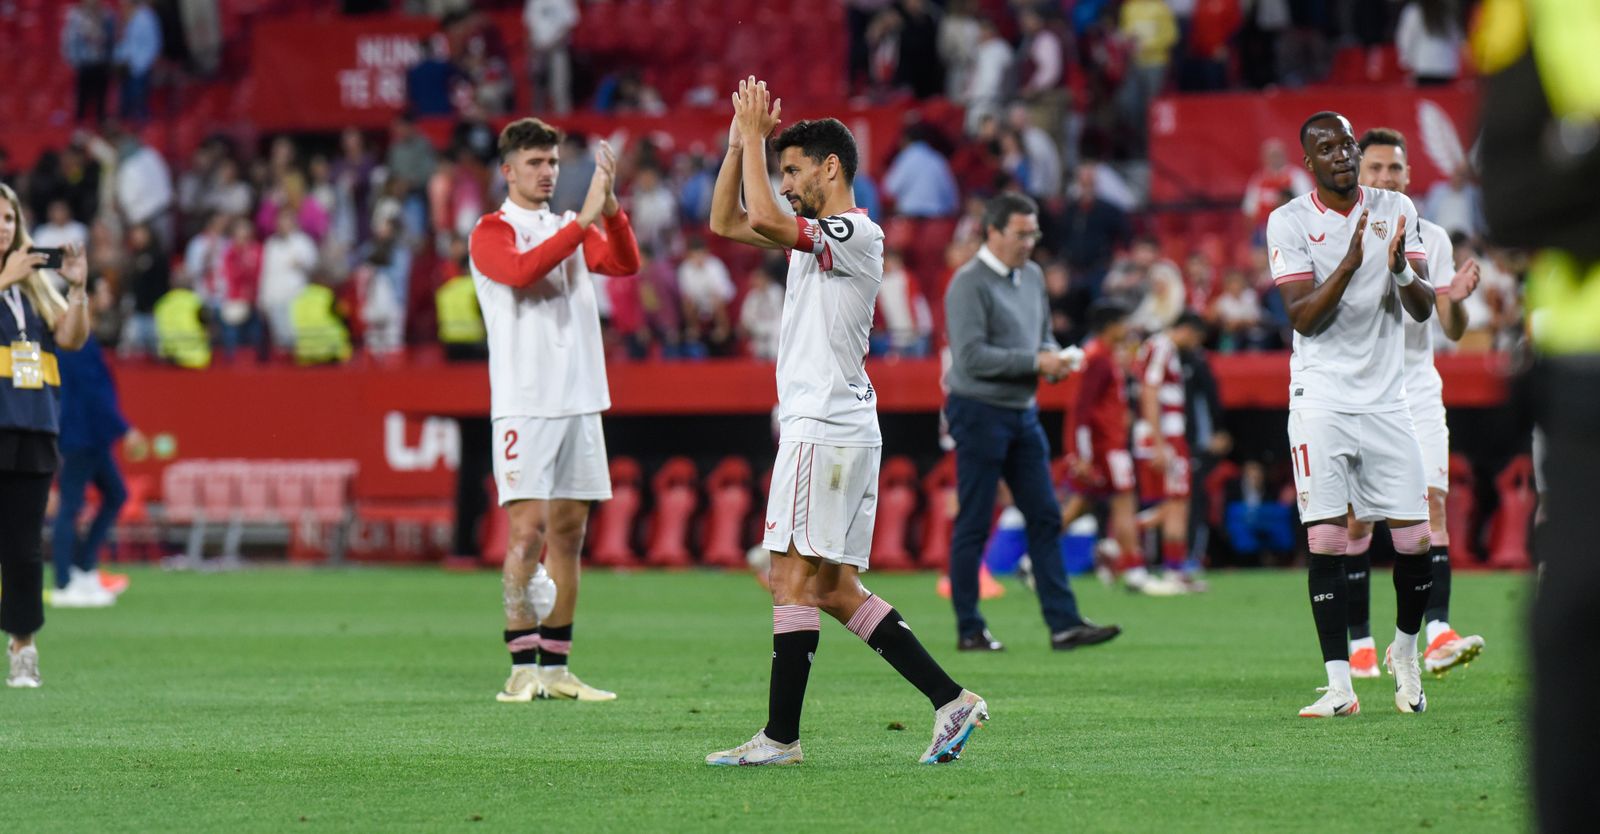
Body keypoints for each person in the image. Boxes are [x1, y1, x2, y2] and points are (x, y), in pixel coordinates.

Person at [706, 78, 985, 767]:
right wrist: (744, 141)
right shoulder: (817, 237)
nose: (786, 182)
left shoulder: (854, 231)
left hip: (822, 423)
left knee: (789, 579)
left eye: (794, 169)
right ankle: (953, 702)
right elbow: (725, 223)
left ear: (832, 168)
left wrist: (756, 142)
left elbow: (766, 219)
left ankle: (779, 739)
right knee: (830, 588)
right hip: (838, 424)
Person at [1268, 111, 1436, 719]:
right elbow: (1303, 317)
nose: (1342, 154)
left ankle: (1406, 654)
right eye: (1327, 148)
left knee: (1415, 539)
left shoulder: (1397, 208)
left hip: (1387, 397)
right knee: (1327, 537)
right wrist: (1349, 260)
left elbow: (1422, 309)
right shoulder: (1288, 221)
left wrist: (1396, 267)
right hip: (1321, 396)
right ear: (1309, 162)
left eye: (1347, 144)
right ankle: (1340, 685)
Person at [468, 117, 639, 704]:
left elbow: (623, 264)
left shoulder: (570, 225)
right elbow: (520, 272)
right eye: (535, 163)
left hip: (580, 399)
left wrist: (610, 209)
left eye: (553, 163)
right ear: (508, 170)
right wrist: (586, 219)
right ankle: (520, 665)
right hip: (525, 404)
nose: (547, 173)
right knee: (526, 532)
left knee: (568, 533)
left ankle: (557, 667)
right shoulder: (492, 231)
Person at [943, 191, 1121, 653]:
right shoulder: (968, 283)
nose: (1029, 242)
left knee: (1044, 514)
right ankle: (969, 628)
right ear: (994, 232)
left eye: (1034, 233)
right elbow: (971, 356)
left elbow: (1040, 335)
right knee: (976, 520)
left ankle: (1063, 624)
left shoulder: (1033, 275)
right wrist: (1036, 361)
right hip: (978, 409)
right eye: (1021, 234)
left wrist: (1053, 358)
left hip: (1021, 411)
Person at [1338, 127, 1485, 678]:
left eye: (1393, 169)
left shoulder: (1436, 238)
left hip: (1418, 386)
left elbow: (1450, 325)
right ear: (1359, 171)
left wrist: (1458, 300)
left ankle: (1439, 632)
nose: (1384, 177)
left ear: (1408, 175)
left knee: (1431, 506)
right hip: (1362, 389)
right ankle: (1360, 643)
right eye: (1374, 168)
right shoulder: (1339, 235)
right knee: (1357, 521)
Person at [0, 183, 92, 687]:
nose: (4, 228)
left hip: (33, 423)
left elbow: (73, 338)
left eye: (9, 220)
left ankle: (23, 648)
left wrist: (76, 288)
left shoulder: (34, 285)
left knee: (22, 547)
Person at [1061, 300, 1182, 596]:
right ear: (1110, 327)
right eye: (1122, 323)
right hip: (1107, 447)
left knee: (1083, 504)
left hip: (1106, 444)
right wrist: (1082, 454)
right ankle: (1135, 571)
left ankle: (1033, 559)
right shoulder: (1098, 358)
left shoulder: (1103, 356)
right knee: (1124, 504)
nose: (1127, 328)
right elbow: (1081, 409)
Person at [52, 289, 136, 608]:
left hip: (90, 436)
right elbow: (94, 395)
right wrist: (125, 430)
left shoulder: (78, 342)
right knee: (71, 506)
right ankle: (64, 581)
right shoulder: (75, 344)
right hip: (81, 435)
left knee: (114, 495)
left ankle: (83, 567)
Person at [1133, 311, 1208, 589]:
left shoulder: (1158, 348)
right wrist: (1159, 442)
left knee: (1175, 502)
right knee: (1177, 504)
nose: (1196, 344)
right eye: (1197, 338)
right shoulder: (1162, 347)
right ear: (1187, 330)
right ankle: (1172, 571)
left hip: (1165, 436)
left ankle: (1125, 539)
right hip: (1165, 436)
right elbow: (1149, 391)